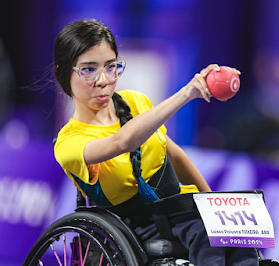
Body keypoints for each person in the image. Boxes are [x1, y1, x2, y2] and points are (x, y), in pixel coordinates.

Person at [52, 19, 258, 265]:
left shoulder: (136, 101)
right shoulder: (68, 143)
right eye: (88, 69)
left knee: (239, 229)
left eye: (111, 66)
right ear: (62, 72)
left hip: (181, 209)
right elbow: (122, 142)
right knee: (207, 232)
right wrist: (187, 93)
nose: (103, 80)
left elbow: (175, 155)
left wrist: (214, 203)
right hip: (138, 226)